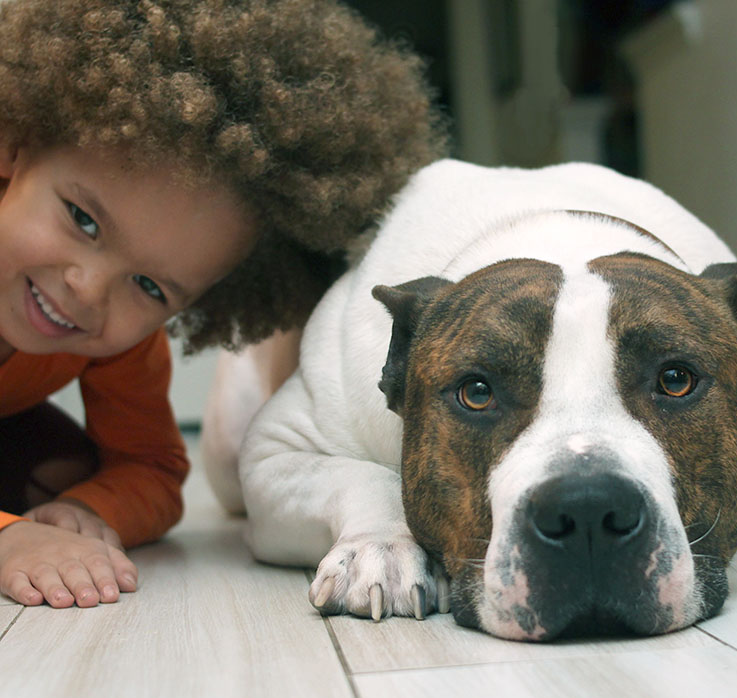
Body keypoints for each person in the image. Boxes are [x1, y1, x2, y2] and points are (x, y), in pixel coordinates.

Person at [0, 0, 445, 609]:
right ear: (12, 147)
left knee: (63, 473)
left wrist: (86, 511)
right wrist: (9, 540)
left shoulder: (118, 338)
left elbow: (150, 473)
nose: (88, 287)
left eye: (151, 287)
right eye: (82, 219)